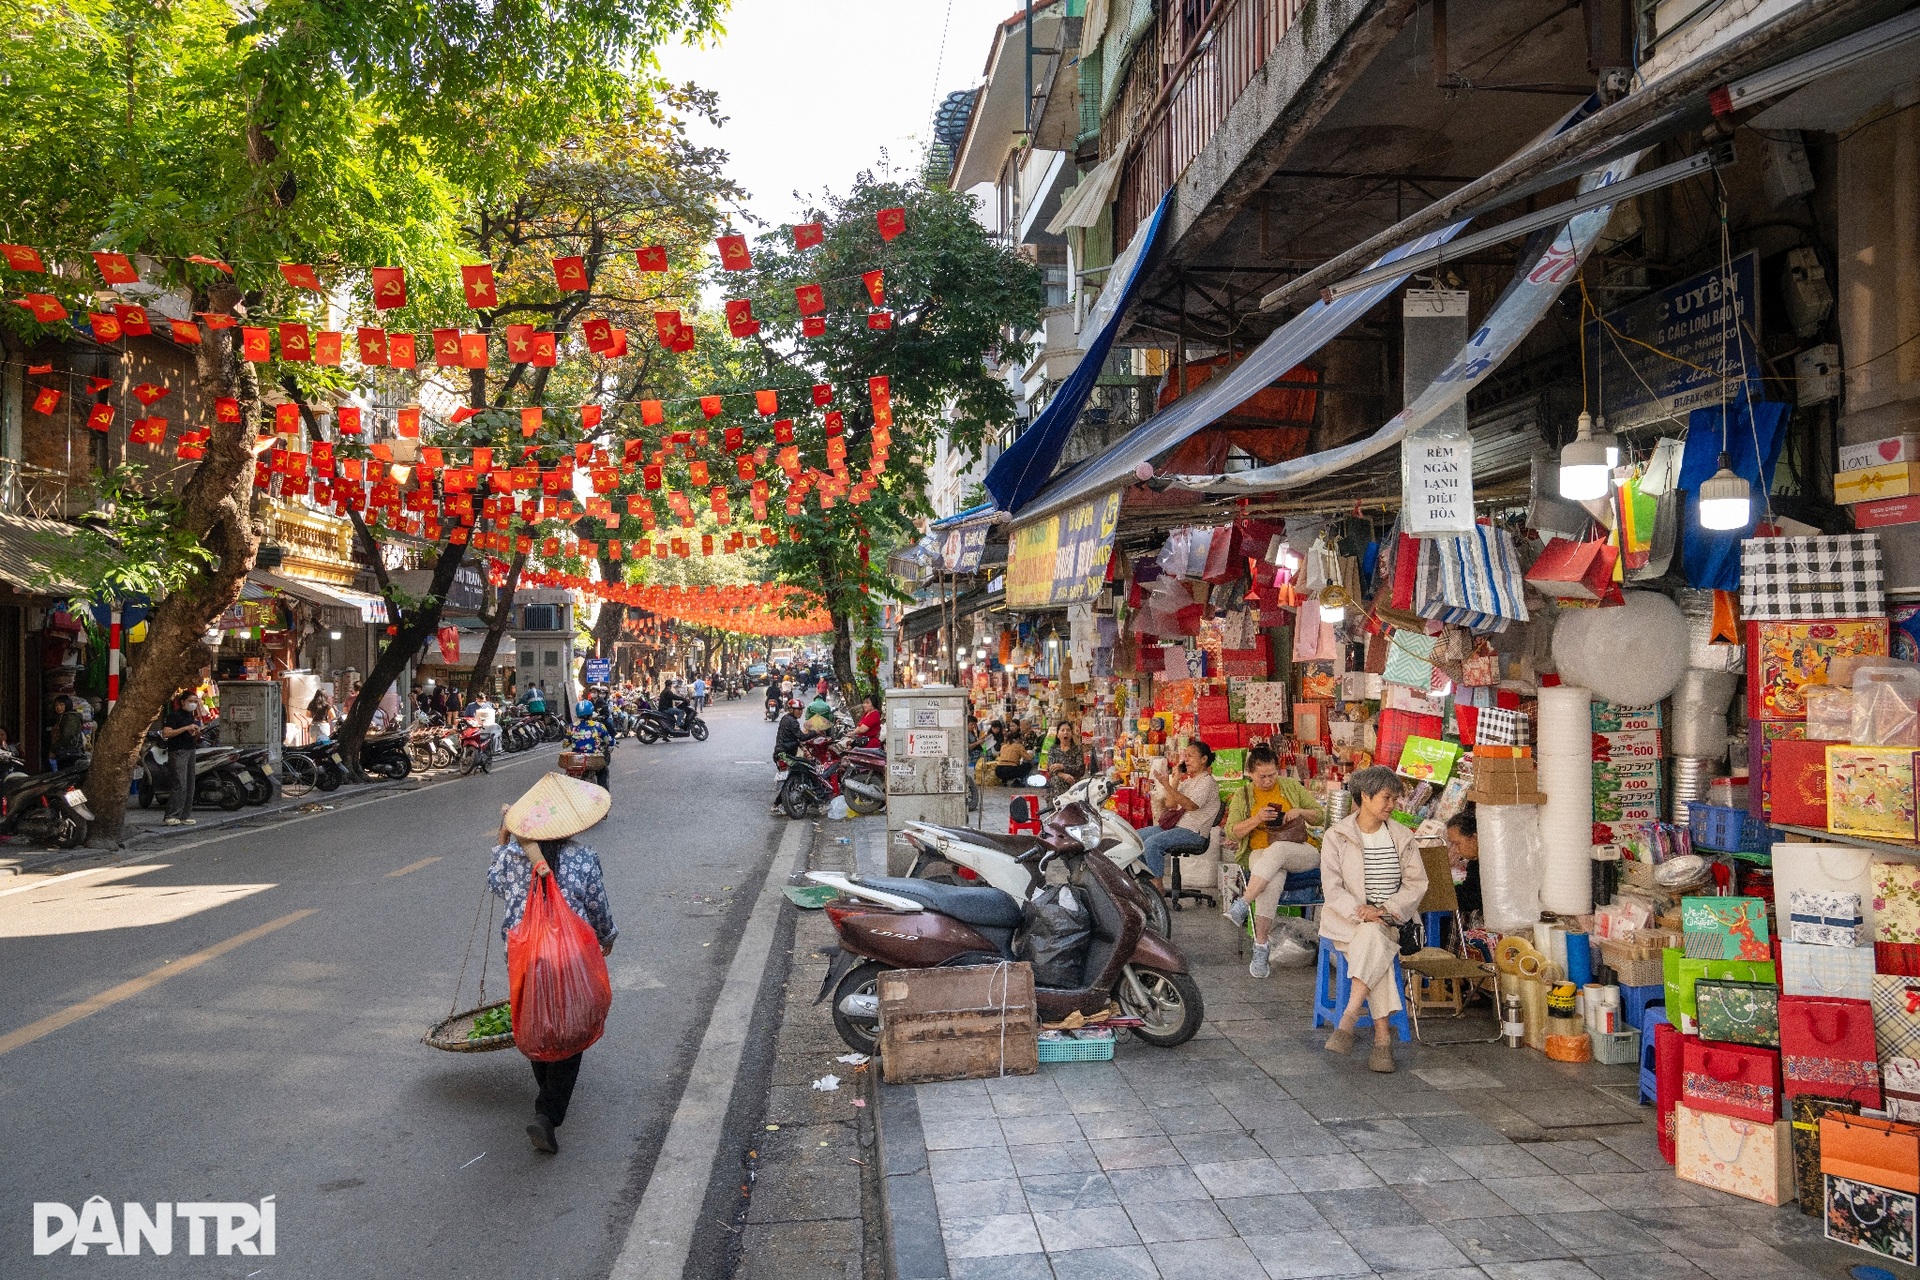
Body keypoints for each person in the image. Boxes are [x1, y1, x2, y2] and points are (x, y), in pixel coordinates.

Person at [486, 772, 616, 1155]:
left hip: (523, 954)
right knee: (571, 1029)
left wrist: (505, 838)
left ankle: (545, 1099)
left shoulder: (510, 856)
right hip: (570, 954)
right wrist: (607, 937)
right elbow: (598, 907)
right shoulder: (583, 856)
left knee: (537, 1021)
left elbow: (494, 884)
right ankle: (547, 1114)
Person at [1319, 766, 1427, 1074]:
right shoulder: (1336, 836)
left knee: (1374, 937)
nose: (1391, 805)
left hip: (1392, 921)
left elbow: (1417, 883)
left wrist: (1386, 909)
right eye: (1386, 797)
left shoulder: (1402, 837)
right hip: (1347, 921)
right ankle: (1382, 1039)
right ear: (1364, 797)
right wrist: (1361, 911)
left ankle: (1349, 1018)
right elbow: (1333, 887)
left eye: (1394, 798)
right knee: (1371, 938)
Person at [1221, 745, 1326, 976]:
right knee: (1273, 877)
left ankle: (1244, 902)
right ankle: (1261, 947)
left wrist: (1300, 811)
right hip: (1259, 853)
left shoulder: (1289, 786)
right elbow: (1231, 832)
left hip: (1300, 850)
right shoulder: (1243, 795)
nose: (1268, 781)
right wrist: (1256, 819)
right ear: (1250, 773)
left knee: (1277, 850)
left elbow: (1320, 815)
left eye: (1272, 775)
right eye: (1262, 777)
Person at [1141, 741, 1221, 891]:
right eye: (1185, 756)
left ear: (1203, 759)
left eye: (1190, 756)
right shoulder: (1189, 782)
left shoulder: (1207, 782)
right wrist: (1175, 779)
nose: (1186, 760)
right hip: (1177, 827)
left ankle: (1157, 886)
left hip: (1194, 832)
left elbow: (1191, 805)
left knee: (1152, 843)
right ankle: (1144, 880)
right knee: (1136, 837)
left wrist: (1166, 785)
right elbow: (1170, 803)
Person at [158, 690, 207, 826]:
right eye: (191, 701)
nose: (193, 704)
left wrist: (195, 732)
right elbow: (166, 733)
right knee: (179, 783)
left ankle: (184, 815)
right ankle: (171, 815)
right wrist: (185, 728)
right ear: (183, 702)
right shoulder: (174, 716)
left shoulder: (191, 716)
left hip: (190, 749)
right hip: (178, 751)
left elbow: (191, 734)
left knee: (190, 783)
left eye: (195, 701)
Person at [1446, 808, 1482, 924]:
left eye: (1457, 843)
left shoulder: (1488, 865)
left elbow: (1473, 898)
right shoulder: (1474, 862)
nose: (1456, 850)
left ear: (1474, 838)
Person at [568, 700, 613, 789]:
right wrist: (613, 742)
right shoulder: (598, 726)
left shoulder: (571, 727)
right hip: (593, 758)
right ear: (591, 713)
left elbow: (565, 743)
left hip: (576, 759)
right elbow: (608, 740)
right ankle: (604, 794)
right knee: (603, 771)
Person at [771, 700, 804, 815]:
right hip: (785, 755)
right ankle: (777, 804)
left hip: (780, 753)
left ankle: (780, 803)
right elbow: (801, 736)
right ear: (791, 710)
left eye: (801, 710)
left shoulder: (785, 719)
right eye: (798, 710)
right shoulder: (793, 722)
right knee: (796, 774)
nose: (800, 712)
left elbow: (794, 738)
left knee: (789, 779)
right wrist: (816, 732)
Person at [1044, 719, 1085, 800]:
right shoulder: (1053, 749)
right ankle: (1058, 809)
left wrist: (1063, 767)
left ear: (1071, 734)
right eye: (1062, 730)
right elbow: (1050, 768)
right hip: (1058, 781)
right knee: (1056, 781)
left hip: (1073, 780)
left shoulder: (1077, 749)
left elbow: (1080, 769)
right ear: (1058, 734)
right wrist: (1063, 775)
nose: (1065, 732)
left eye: (1068, 730)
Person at [49, 695, 88, 769]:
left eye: (61, 705)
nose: (58, 707)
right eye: (56, 705)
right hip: (65, 753)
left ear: (67, 705)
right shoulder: (62, 717)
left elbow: (67, 736)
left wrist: (53, 749)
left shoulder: (70, 717)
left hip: (70, 754)